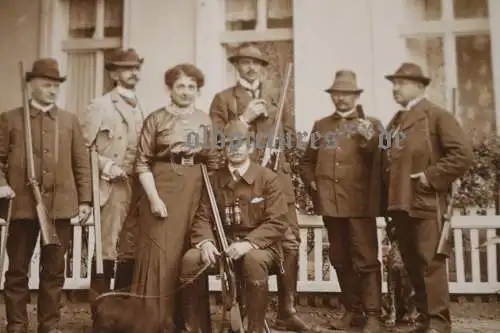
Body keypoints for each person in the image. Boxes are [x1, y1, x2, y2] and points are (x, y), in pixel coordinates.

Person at [209, 43, 308, 331]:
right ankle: (245, 307)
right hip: (241, 182)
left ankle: (287, 310)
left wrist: (282, 159)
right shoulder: (223, 99)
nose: (251, 68)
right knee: (242, 240)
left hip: (277, 179)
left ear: (263, 68)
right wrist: (243, 119)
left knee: (290, 242)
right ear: (236, 66)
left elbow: (289, 139)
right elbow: (215, 140)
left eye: (256, 63)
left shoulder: (276, 98)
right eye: (244, 62)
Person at [0, 58, 91, 333]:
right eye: (46, 85)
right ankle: (16, 324)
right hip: (22, 208)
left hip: (60, 209)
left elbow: (81, 163)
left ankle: (49, 325)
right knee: (17, 270)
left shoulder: (69, 121)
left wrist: (85, 200)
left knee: (53, 272)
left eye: (56, 86)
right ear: (31, 85)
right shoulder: (10, 119)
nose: (52, 90)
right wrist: (2, 184)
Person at [382, 62, 473, 333]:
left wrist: (429, 177)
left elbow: (462, 155)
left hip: (426, 202)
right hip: (401, 204)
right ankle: (424, 319)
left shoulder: (436, 116)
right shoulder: (396, 121)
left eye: (402, 83)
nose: (395, 88)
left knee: (430, 263)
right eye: (394, 84)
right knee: (412, 263)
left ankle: (438, 322)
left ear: (420, 87)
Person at [179, 120, 289, 333]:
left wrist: (249, 243)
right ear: (224, 148)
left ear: (250, 147)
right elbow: (201, 216)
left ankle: (254, 329)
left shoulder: (267, 179)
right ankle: (197, 328)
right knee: (191, 259)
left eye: (241, 143)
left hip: (261, 248)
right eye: (230, 144)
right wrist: (206, 243)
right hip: (222, 244)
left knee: (254, 260)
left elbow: (277, 221)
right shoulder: (212, 180)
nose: (235, 149)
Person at [131, 63, 216, 332]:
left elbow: (213, 160)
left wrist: (207, 195)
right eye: (181, 86)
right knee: (161, 256)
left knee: (188, 254)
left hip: (194, 187)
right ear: (170, 88)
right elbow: (142, 163)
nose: (186, 92)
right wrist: (154, 199)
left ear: (198, 90)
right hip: (163, 187)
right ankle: (156, 323)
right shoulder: (156, 119)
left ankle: (191, 324)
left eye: (192, 87)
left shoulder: (204, 119)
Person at [299, 70, 385, 333]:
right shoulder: (321, 126)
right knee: (339, 258)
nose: (342, 99)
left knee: (366, 258)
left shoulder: (371, 124)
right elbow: (306, 161)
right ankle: (353, 311)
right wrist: (312, 182)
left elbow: (381, 158)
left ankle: (373, 316)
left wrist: (368, 136)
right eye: (337, 94)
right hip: (330, 205)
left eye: (347, 94)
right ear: (332, 96)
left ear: (356, 96)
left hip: (359, 206)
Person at [79, 48, 146, 295]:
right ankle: (101, 308)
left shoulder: (140, 105)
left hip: (136, 185)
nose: (134, 73)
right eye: (127, 69)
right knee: (107, 245)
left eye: (136, 68)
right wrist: (107, 166)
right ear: (115, 74)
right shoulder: (100, 105)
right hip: (111, 186)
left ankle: (122, 305)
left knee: (129, 245)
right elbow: (84, 148)